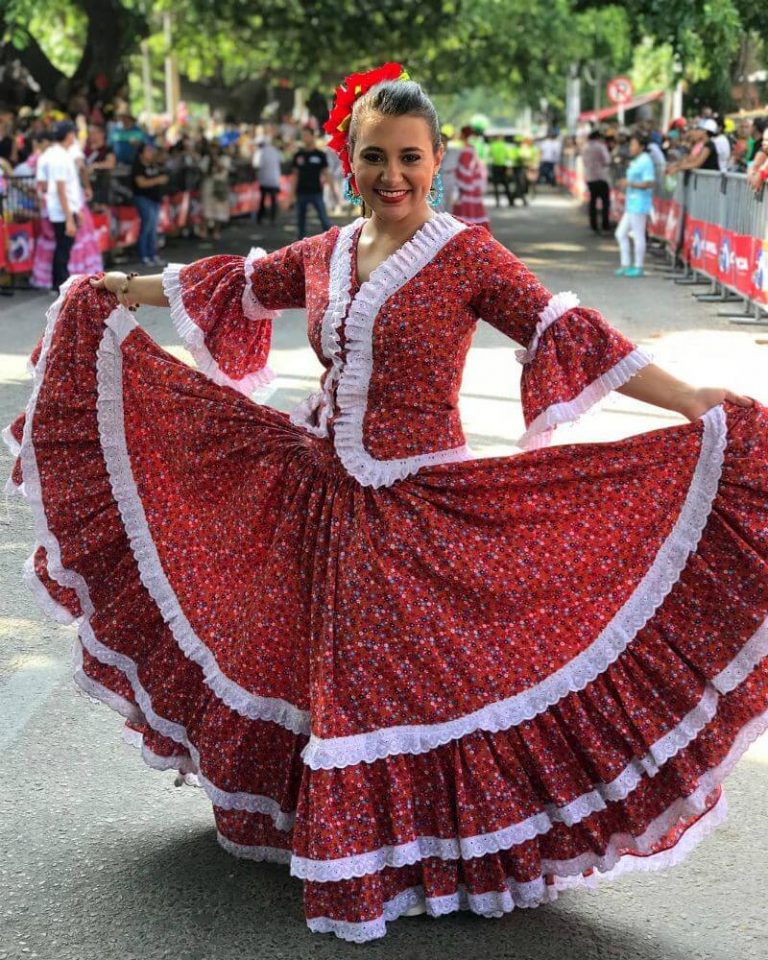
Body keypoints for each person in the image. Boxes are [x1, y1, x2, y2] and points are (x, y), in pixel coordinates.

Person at [5, 62, 768, 945]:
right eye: (374, 156)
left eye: (409, 157)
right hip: (319, 495)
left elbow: (565, 329)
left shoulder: (468, 255)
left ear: (438, 159)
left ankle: (422, 853)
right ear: (350, 160)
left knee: (400, 685)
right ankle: (348, 834)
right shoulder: (327, 251)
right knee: (325, 674)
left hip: (419, 509)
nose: (391, 175)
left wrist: (690, 402)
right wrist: (123, 293)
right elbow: (237, 283)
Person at [44, 120, 83, 294]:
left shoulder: (60, 154)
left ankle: (58, 284)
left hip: (65, 209)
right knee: (63, 247)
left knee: (63, 246)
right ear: (68, 135)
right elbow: (61, 189)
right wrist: (69, 218)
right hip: (62, 211)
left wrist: (76, 211)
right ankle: (60, 284)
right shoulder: (60, 157)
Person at [614, 132, 655, 277]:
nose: (630, 147)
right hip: (631, 203)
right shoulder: (637, 160)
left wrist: (629, 183)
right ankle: (625, 264)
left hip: (640, 203)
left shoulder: (646, 161)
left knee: (638, 235)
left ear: (641, 146)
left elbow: (649, 183)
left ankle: (639, 266)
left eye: (633, 145)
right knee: (620, 233)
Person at [131, 140, 168, 266]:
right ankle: (144, 256)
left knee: (153, 229)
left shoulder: (153, 165)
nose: (151, 153)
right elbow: (141, 183)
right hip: (143, 198)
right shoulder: (138, 166)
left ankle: (152, 254)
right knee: (146, 226)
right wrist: (158, 180)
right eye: (148, 151)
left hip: (155, 200)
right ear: (141, 153)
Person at [291, 126, 332, 239]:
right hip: (301, 193)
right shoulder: (298, 155)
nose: (305, 138)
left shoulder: (320, 155)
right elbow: (295, 176)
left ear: (312, 136)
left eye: (307, 135)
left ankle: (331, 243)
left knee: (324, 220)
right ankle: (299, 249)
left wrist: (333, 191)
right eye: (303, 136)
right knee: (300, 223)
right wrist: (291, 195)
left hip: (316, 192)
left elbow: (326, 173)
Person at [452, 124, 489, 227]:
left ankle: (466, 229)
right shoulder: (470, 147)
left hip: (466, 182)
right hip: (473, 182)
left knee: (464, 208)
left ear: (463, 134)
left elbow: (464, 168)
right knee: (471, 208)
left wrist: (461, 182)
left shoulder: (463, 148)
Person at [581, 129, 611, 234]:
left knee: (592, 201)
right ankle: (605, 225)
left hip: (590, 177)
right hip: (601, 177)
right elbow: (607, 160)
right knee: (605, 202)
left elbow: (584, 162)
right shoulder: (601, 146)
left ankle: (593, 225)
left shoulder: (584, 147)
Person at [252, 138, 283, 224]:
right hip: (274, 179)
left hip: (264, 180)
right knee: (273, 200)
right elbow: (282, 159)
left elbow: (256, 165)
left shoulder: (260, 152)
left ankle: (260, 218)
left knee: (263, 199)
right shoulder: (274, 150)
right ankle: (272, 219)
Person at [488, 134, 513, 207]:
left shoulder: (492, 145)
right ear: (501, 138)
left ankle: (497, 202)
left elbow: (490, 155)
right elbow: (508, 156)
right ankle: (510, 201)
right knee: (506, 184)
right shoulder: (505, 145)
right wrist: (509, 168)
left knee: (496, 185)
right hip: (503, 166)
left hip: (495, 166)